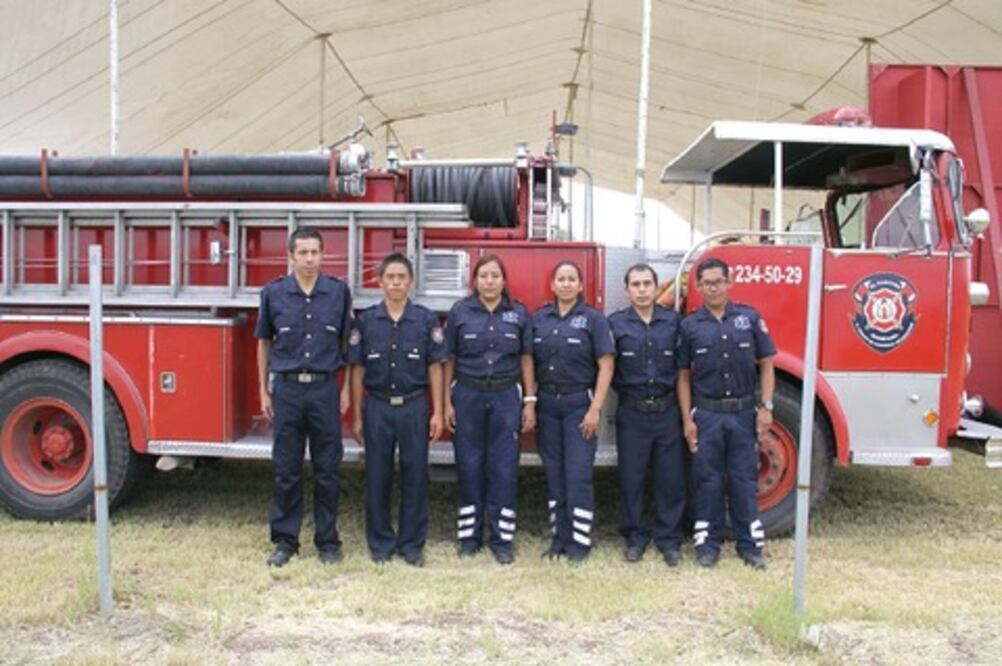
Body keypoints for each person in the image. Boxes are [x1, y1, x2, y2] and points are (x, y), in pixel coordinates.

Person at [255, 228, 352, 567]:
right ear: (291, 256)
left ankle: (327, 541)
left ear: (322, 255)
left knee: (328, 469)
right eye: (303, 252)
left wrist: (344, 389)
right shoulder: (273, 294)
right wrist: (262, 388)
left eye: (315, 252)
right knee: (286, 469)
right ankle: (285, 541)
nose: (310, 259)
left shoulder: (338, 293)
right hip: (287, 389)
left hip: (324, 388)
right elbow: (264, 341)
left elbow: (345, 343)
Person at [676, 257, 776, 570]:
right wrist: (687, 419)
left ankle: (750, 546)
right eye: (707, 283)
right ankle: (708, 545)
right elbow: (682, 375)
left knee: (743, 479)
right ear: (698, 286)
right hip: (707, 414)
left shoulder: (748, 318)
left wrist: (767, 407)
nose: (714, 288)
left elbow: (767, 364)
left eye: (719, 281)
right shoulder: (690, 326)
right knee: (707, 481)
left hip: (744, 414)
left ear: (729, 283)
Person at [348, 253, 446, 567]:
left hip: (414, 407)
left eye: (401, 277)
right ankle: (380, 543)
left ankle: (411, 544)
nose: (395, 282)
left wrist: (438, 411)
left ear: (411, 281)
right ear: (379, 282)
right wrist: (357, 416)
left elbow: (436, 367)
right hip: (377, 407)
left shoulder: (426, 319)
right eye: (389, 277)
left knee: (415, 476)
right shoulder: (365, 321)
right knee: (377, 476)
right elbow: (357, 370)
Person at [444, 255, 535, 565]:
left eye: (496, 275)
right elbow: (449, 360)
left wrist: (530, 401)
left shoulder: (519, 313)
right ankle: (469, 538)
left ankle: (501, 540)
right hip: (468, 394)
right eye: (484, 275)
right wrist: (446, 402)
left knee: (504, 468)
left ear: (504, 280)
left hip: (506, 396)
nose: (490, 281)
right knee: (469, 466)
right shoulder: (460, 312)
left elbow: (526, 359)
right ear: (475, 281)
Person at [532, 260, 614, 564]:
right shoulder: (539, 319)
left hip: (580, 405)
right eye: (560, 279)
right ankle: (559, 539)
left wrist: (595, 409)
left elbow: (606, 365)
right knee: (555, 474)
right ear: (552, 285)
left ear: (580, 286)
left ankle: (579, 544)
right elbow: (528, 360)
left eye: (571, 279)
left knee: (578, 475)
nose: (566, 284)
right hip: (548, 405)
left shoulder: (593, 319)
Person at [608, 263, 686, 567]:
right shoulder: (614, 324)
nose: (641, 290)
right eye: (635, 285)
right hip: (632, 412)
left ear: (656, 288)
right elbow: (607, 368)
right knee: (632, 478)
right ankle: (635, 536)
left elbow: (681, 372)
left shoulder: (674, 323)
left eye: (646, 284)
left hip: (667, 411)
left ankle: (669, 539)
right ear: (626, 290)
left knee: (671, 479)